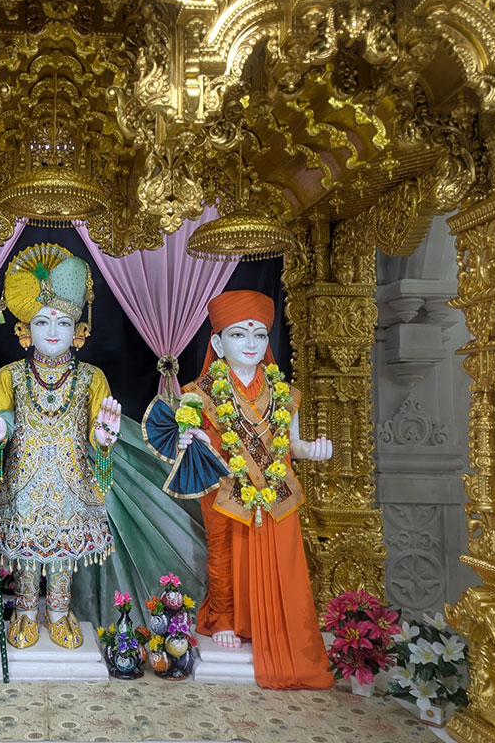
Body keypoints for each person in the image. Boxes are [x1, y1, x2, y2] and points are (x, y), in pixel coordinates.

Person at [148, 289, 334, 690]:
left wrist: (311, 450)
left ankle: (278, 625)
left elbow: (293, 446)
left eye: (259, 335)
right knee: (224, 552)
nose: (251, 344)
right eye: (239, 335)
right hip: (225, 489)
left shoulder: (282, 391)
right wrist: (185, 439)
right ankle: (226, 619)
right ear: (217, 343)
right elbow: (183, 439)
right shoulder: (200, 392)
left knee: (282, 558)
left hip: (277, 493)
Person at [0, 243, 121, 649]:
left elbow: (99, 431)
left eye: (61, 322)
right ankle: (23, 612)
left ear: (78, 329)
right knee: (23, 555)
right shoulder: (11, 375)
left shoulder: (92, 377)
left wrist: (106, 436)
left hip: (72, 484)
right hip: (22, 484)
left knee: (61, 555)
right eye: (42, 323)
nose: (52, 332)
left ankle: (58, 612)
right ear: (25, 330)